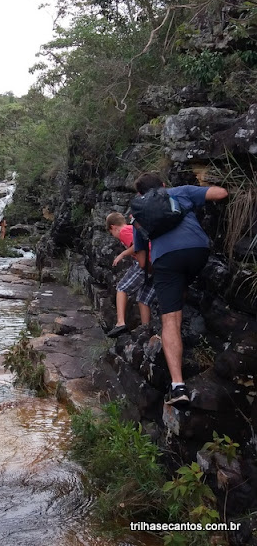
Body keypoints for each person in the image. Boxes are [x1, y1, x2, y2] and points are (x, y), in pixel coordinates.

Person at [132, 173, 228, 408]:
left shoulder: (138, 216)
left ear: (140, 195)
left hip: (166, 260)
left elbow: (143, 262)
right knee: (183, 281)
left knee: (170, 319)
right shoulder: (180, 191)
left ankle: (178, 386)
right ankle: (181, 299)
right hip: (198, 250)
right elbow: (221, 193)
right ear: (163, 185)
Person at [106, 212, 156, 338]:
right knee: (143, 298)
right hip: (156, 265)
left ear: (113, 227)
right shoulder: (131, 228)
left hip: (145, 263)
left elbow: (137, 246)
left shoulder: (124, 231)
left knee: (122, 288)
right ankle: (146, 330)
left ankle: (120, 323)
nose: (114, 236)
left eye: (111, 233)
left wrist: (122, 254)